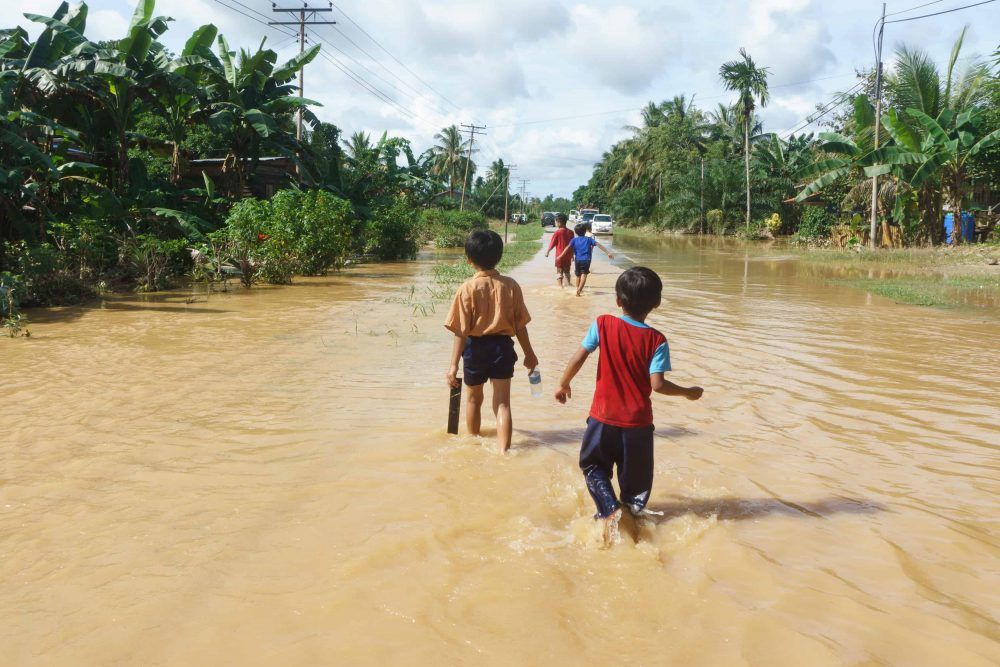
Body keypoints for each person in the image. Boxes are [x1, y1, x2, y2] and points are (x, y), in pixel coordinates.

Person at [554, 267, 703, 543]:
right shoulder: (657, 340)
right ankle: (633, 530)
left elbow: (578, 357)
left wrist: (563, 383)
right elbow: (657, 384)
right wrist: (687, 392)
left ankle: (609, 511)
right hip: (638, 426)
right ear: (656, 303)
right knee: (635, 487)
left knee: (593, 468)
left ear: (618, 300)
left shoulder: (602, 324)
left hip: (602, 419)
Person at [444, 230, 539, 453]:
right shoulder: (511, 286)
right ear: (500, 256)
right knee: (503, 403)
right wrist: (529, 354)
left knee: (474, 399)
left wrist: (453, 365)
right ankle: (504, 452)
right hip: (502, 348)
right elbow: (520, 326)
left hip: (475, 349)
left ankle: (473, 445)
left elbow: (460, 331)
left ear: (469, 259)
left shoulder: (466, 288)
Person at [557, 223, 613, 296]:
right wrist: (608, 252)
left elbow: (567, 248)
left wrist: (561, 255)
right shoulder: (589, 239)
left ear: (576, 232)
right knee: (584, 275)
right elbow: (599, 245)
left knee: (578, 275)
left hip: (578, 260)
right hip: (586, 260)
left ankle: (577, 289)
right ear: (585, 231)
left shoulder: (574, 240)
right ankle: (579, 290)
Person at [544, 213, 575, 288]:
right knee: (567, 271)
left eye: (555, 221)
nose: (555, 223)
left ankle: (560, 287)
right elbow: (573, 245)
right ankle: (568, 285)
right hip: (568, 256)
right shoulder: (571, 232)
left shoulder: (557, 232)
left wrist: (548, 251)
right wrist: (572, 255)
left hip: (559, 256)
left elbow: (552, 243)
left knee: (559, 272)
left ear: (559, 222)